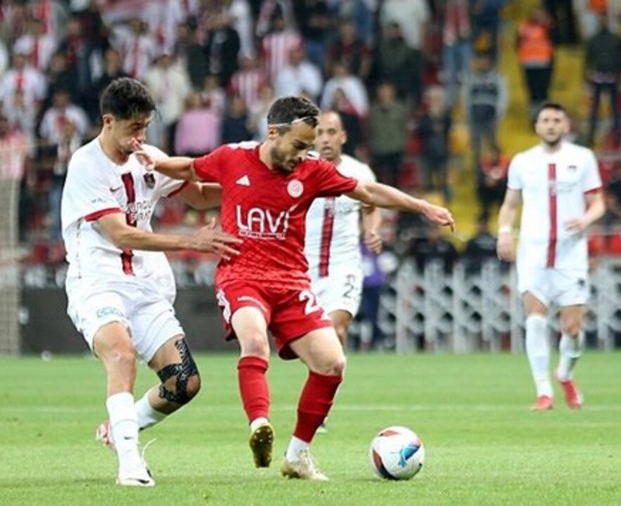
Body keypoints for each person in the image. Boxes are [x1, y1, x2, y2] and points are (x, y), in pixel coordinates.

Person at [138, 96, 454, 480]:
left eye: (308, 147)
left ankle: (297, 455)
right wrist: (154, 162)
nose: (303, 154)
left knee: (332, 363)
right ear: (273, 132)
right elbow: (190, 167)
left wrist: (422, 206)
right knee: (254, 340)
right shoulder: (233, 158)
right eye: (298, 145)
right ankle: (259, 425)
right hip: (242, 275)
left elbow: (368, 193)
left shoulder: (312, 170)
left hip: (290, 282)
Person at [60, 77, 241, 487]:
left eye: (145, 127)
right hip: (98, 283)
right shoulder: (86, 164)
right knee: (121, 355)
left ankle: (120, 428)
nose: (140, 137)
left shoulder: (148, 158)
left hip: (145, 286)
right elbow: (120, 234)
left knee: (184, 382)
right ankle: (129, 465)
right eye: (133, 128)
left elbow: (199, 196)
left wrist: (254, 184)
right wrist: (190, 241)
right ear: (108, 121)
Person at [497, 101, 605, 411]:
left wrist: (585, 220)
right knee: (535, 318)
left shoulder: (583, 158)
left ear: (566, 125)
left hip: (570, 255)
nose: (551, 125)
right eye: (545, 120)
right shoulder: (522, 161)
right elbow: (510, 204)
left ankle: (565, 374)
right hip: (533, 252)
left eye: (557, 120)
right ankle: (543, 391)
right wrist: (504, 232)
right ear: (537, 126)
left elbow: (598, 202)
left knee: (572, 329)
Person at [305, 110, 382, 434]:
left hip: (344, 265)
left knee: (335, 330)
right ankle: (319, 387)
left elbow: (372, 205)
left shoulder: (358, 171)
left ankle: (320, 409)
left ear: (342, 136)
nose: (325, 139)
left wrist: (372, 230)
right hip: (302, 266)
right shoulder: (300, 167)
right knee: (310, 342)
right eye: (319, 132)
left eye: (331, 132)